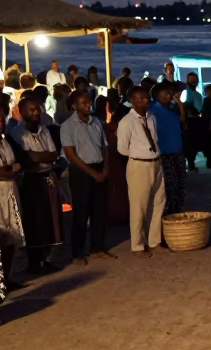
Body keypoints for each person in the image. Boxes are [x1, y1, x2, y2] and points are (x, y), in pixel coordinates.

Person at [60, 90, 114, 265]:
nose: (87, 105)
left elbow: (104, 146)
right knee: (81, 213)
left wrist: (105, 167)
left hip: (98, 166)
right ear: (74, 105)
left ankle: (97, 248)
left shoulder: (96, 121)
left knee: (99, 211)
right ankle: (77, 253)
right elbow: (71, 155)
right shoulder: (68, 126)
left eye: (88, 102)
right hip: (81, 171)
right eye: (83, 103)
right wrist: (92, 173)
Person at [116, 85, 168, 257]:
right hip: (139, 164)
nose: (144, 100)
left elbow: (155, 139)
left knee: (158, 202)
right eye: (139, 98)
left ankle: (154, 241)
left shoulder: (151, 117)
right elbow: (122, 149)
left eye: (145, 97)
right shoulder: (126, 122)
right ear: (131, 101)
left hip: (156, 162)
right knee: (139, 206)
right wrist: (140, 154)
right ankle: (137, 245)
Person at [15, 98, 64, 274]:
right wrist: (41, 156)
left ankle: (46, 258)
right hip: (31, 181)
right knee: (35, 221)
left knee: (51, 220)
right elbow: (29, 159)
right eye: (32, 110)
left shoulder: (44, 130)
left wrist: (39, 156)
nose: (36, 113)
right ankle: (34, 262)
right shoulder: (16, 133)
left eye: (37, 110)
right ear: (22, 112)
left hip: (47, 177)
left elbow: (53, 154)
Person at [0, 106, 24, 298]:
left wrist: (10, 170)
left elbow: (15, 163)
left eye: (1, 120)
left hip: (10, 189)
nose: (0, 124)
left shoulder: (5, 142)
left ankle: (6, 278)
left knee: (11, 237)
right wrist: (8, 170)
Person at [152, 83, 187, 215]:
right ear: (158, 97)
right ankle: (169, 213)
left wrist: (180, 106)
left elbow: (182, 121)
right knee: (169, 185)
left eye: (169, 93)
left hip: (177, 150)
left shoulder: (172, 108)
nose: (169, 96)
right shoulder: (153, 112)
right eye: (165, 94)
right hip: (164, 153)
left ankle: (178, 210)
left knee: (181, 182)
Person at [181, 71, 206, 171]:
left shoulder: (197, 95)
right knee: (190, 143)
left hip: (194, 120)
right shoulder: (186, 93)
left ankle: (190, 163)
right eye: (191, 81)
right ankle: (190, 164)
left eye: (194, 81)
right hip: (190, 121)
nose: (193, 83)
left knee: (192, 143)